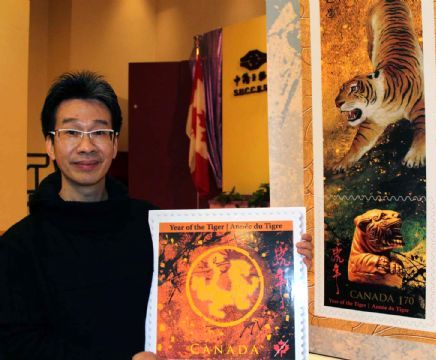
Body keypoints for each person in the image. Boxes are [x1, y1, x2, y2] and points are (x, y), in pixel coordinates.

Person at [0, 71, 313, 360]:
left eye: (99, 132)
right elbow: (17, 345)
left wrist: (287, 261)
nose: (86, 146)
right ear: (50, 145)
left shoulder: (152, 225)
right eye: (71, 131)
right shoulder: (18, 246)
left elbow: (215, 285)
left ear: (113, 144)